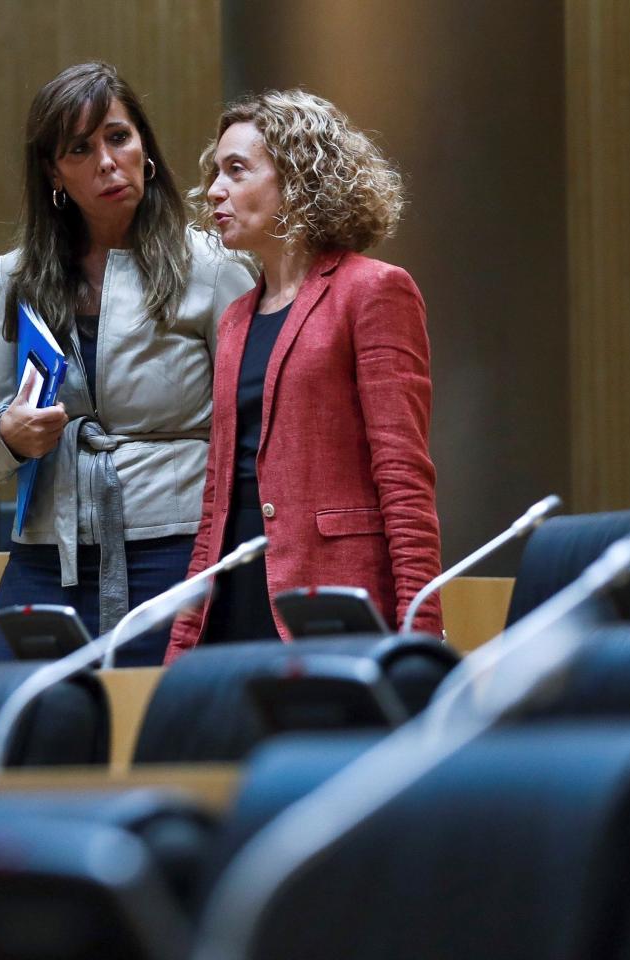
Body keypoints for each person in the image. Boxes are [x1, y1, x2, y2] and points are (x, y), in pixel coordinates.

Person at [0, 62, 253, 666]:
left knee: (157, 731)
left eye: (118, 137)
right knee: (23, 725)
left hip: (173, 543)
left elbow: (251, 425)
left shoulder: (212, 266)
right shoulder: (16, 276)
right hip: (50, 547)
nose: (106, 161)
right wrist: (11, 435)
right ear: (53, 172)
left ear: (144, 146)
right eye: (80, 148)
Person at [167, 90, 442, 661]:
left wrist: (421, 631)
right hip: (232, 591)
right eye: (215, 173)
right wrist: (181, 640)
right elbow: (217, 497)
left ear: (296, 177)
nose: (214, 190)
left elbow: (404, 477)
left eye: (236, 171)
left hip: (329, 593)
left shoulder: (373, 290)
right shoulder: (237, 317)